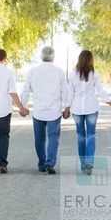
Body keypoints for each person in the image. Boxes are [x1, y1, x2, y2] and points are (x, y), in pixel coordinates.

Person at [64, 50, 111, 175]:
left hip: (77, 109)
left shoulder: (73, 74)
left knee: (81, 137)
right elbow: (100, 91)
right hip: (91, 109)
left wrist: (67, 108)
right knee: (91, 136)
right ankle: (89, 163)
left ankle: (83, 165)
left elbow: (70, 93)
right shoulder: (94, 74)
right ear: (91, 60)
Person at [21, 46, 68, 174]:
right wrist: (66, 108)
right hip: (54, 111)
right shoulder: (59, 72)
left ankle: (42, 164)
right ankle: (50, 163)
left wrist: (22, 106)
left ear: (41, 56)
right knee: (53, 138)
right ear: (53, 57)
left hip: (39, 111)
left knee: (39, 139)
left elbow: (25, 91)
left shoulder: (32, 71)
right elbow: (65, 91)